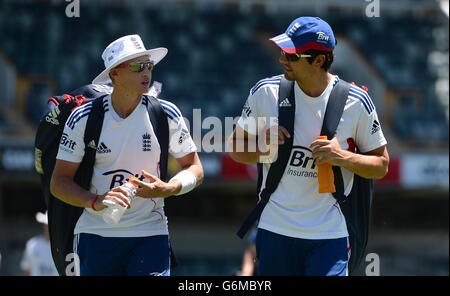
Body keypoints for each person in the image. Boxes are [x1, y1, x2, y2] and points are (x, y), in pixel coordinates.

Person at [228, 17, 389, 276]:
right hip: (274, 231)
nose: (282, 59)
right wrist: (262, 145)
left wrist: (342, 157)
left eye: (291, 55)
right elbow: (236, 148)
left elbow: (381, 165)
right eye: (282, 51)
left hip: (330, 235)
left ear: (319, 60)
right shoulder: (265, 92)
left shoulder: (357, 101)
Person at [50, 34, 203, 276]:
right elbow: (59, 183)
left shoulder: (166, 113)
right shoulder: (84, 117)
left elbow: (195, 167)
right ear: (114, 74)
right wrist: (95, 201)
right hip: (96, 236)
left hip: (150, 234)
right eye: (137, 66)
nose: (146, 72)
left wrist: (170, 187)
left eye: (149, 66)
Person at [20, 211, 58, 276]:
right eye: (47, 224)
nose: (48, 227)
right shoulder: (31, 245)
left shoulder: (61, 247)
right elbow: (26, 270)